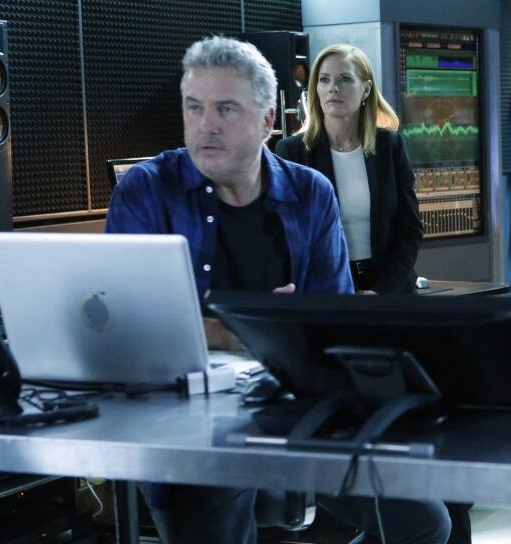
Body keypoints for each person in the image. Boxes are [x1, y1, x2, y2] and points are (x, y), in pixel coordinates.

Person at [105, 36, 450, 544]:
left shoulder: (311, 192)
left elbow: (333, 321)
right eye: (194, 107)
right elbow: (124, 324)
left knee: (424, 524)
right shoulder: (145, 190)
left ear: (267, 120)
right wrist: (246, 330)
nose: (206, 124)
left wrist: (294, 330)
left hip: (298, 405)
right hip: (191, 425)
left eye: (225, 109)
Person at [276, 43, 423, 294]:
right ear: (315, 89)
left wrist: (381, 292)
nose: (333, 88)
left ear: (366, 89)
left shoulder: (389, 146)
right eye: (324, 79)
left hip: (391, 289)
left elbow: (410, 229)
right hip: (326, 289)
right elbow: (289, 236)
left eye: (345, 79)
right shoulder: (292, 152)